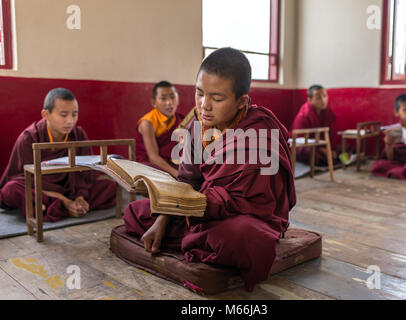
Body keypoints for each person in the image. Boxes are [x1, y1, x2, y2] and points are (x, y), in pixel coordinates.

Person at [123, 48, 296, 291]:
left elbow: (255, 203)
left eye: (217, 98)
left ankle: (196, 237)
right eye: (199, 93)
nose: (204, 106)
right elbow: (187, 179)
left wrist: (191, 207)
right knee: (136, 211)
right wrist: (163, 217)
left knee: (243, 236)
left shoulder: (259, 132)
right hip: (200, 210)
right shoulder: (198, 124)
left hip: (245, 217)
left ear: (241, 101)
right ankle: (194, 237)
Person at [0, 88, 116, 222]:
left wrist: (80, 197)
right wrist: (65, 201)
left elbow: (85, 174)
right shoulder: (29, 138)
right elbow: (25, 178)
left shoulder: (78, 135)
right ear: (45, 114)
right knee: (12, 190)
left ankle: (50, 207)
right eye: (63, 115)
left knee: (110, 186)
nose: (70, 121)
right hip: (41, 189)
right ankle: (65, 206)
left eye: (74, 114)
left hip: (70, 189)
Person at [135, 81, 184, 177]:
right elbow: (153, 157)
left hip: (173, 163)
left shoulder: (181, 120)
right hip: (152, 165)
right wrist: (176, 173)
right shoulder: (147, 123)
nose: (169, 102)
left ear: (178, 99)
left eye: (172, 97)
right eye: (163, 98)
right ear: (154, 102)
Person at [291, 85, 338, 165]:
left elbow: (330, 133)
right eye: (318, 98)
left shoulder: (327, 111)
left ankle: (328, 158)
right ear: (309, 100)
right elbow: (301, 140)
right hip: (305, 145)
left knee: (344, 147)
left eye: (324, 96)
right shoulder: (304, 115)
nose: (323, 100)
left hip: (322, 144)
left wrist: (330, 149)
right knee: (310, 153)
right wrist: (323, 150)